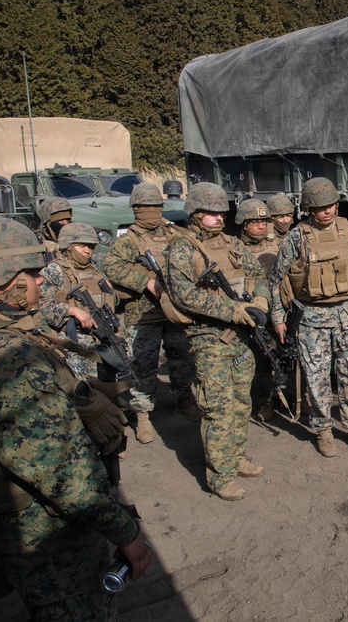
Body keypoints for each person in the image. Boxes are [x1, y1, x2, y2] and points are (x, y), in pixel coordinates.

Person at [0, 216, 151, 619]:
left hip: (3, 520)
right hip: (51, 536)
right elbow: (56, 467)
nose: (41, 282)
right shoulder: (9, 358)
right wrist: (124, 531)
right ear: (3, 281)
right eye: (34, 274)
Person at [164, 182, 269, 501]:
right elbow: (184, 296)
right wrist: (232, 310)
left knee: (241, 402)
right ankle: (220, 475)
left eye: (221, 212)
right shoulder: (182, 248)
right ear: (195, 214)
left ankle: (236, 458)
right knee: (219, 408)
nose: (218, 217)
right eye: (210, 212)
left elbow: (257, 274)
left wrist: (262, 301)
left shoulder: (232, 244)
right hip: (208, 339)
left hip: (240, 338)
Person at [269, 177, 348, 457]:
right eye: (320, 207)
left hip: (346, 317)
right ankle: (323, 430)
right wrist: (279, 318)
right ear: (308, 209)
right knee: (317, 380)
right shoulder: (297, 236)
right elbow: (277, 279)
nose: (327, 211)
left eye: (331, 205)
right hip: (311, 320)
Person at [38, 223, 153, 442]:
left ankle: (117, 426)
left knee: (116, 380)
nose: (87, 250)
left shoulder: (94, 268)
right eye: (81, 245)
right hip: (74, 343)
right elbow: (40, 303)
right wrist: (70, 310)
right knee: (82, 391)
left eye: (90, 246)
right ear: (68, 246)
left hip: (102, 337)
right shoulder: (54, 271)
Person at [101, 182, 199, 422]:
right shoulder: (128, 241)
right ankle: (143, 413)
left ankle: (184, 401)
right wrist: (145, 282)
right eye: (145, 207)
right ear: (135, 209)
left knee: (182, 358)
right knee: (142, 363)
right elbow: (110, 267)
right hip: (143, 313)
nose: (151, 213)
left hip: (176, 310)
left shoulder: (174, 233)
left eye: (155, 207)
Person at [236, 199, 279, 419]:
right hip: (251, 315)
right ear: (244, 224)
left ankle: (279, 398)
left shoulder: (277, 245)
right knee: (257, 362)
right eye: (255, 222)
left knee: (281, 358)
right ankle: (261, 401)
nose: (261, 226)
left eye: (264, 221)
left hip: (278, 313)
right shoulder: (235, 249)